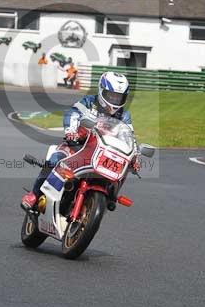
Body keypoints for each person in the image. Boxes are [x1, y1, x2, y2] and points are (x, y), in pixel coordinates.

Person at [21, 71, 135, 210]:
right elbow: (73, 113)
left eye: (118, 97)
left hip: (104, 152)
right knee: (57, 158)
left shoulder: (124, 115)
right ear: (101, 91)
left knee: (123, 168)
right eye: (111, 96)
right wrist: (71, 131)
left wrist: (134, 155)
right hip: (79, 144)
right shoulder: (88, 102)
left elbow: (128, 135)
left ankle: (110, 196)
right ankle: (35, 194)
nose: (114, 100)